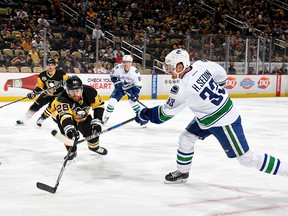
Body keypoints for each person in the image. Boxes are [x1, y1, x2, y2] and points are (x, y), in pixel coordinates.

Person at [135, 48, 288, 183]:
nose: (168, 70)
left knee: (247, 159)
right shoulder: (202, 65)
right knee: (186, 138)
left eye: (170, 67)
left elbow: (163, 115)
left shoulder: (182, 89)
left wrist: (144, 114)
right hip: (209, 117)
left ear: (180, 66)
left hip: (224, 122)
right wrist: (209, 98)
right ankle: (182, 172)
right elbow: (221, 74)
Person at [49, 75, 107, 160]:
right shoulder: (62, 99)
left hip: (82, 116)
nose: (75, 94)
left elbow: (98, 106)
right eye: (72, 92)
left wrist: (97, 122)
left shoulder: (90, 92)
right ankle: (72, 151)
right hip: (63, 117)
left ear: (82, 89)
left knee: (93, 134)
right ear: (67, 91)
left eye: (77, 91)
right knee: (68, 136)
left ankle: (94, 148)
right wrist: (70, 129)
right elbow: (65, 116)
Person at [16, 58, 68, 125]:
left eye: (52, 65)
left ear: (55, 66)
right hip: (47, 94)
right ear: (46, 66)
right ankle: (24, 119)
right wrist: (34, 93)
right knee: (35, 106)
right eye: (49, 65)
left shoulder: (61, 73)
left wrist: (65, 82)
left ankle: (42, 119)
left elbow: (69, 81)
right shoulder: (42, 75)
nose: (50, 67)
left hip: (58, 96)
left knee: (52, 108)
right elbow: (39, 87)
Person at [102, 55, 144, 126]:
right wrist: (117, 83)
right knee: (112, 102)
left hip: (131, 87)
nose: (126, 64)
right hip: (120, 87)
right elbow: (112, 76)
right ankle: (106, 117)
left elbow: (138, 85)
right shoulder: (118, 68)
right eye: (124, 62)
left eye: (128, 62)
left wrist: (136, 94)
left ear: (131, 63)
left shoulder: (135, 72)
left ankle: (141, 118)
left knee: (132, 102)